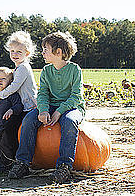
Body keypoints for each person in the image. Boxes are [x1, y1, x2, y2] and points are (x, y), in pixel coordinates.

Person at [8, 31, 84, 184]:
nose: (42, 53)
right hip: (49, 106)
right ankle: (23, 162)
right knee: (29, 119)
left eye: (45, 49)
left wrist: (59, 112)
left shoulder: (74, 70)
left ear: (58, 52)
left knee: (69, 122)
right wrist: (43, 110)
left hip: (72, 107)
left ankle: (64, 166)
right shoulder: (46, 71)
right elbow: (42, 93)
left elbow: (76, 96)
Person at [0, 31, 38, 169]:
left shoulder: (23, 68)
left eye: (19, 52)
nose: (15, 54)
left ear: (27, 53)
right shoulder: (18, 67)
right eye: (12, 51)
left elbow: (14, 86)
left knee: (11, 129)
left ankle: (10, 161)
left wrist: (0, 95)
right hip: (22, 106)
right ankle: (3, 159)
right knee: (10, 127)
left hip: (30, 106)